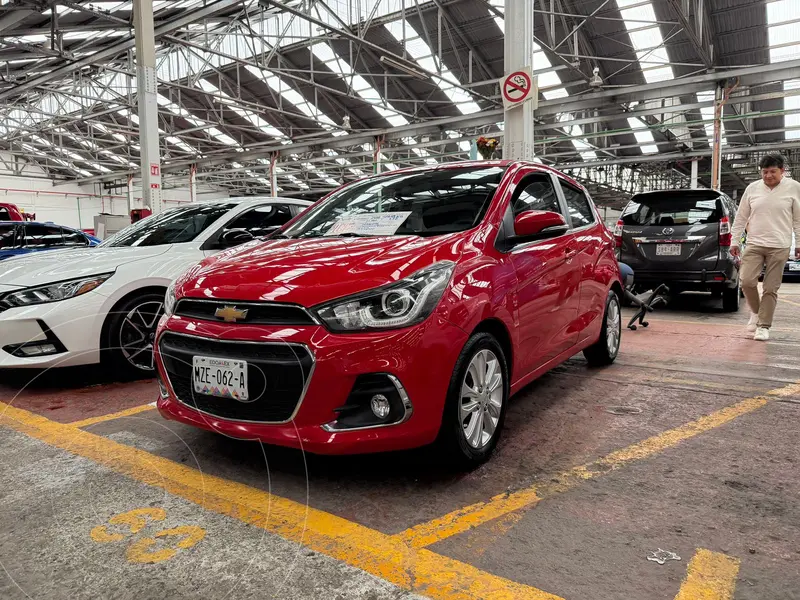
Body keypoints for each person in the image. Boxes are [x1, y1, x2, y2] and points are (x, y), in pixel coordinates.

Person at [730, 154, 800, 341]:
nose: (768, 176)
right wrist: (734, 240)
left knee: (770, 288)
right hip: (754, 243)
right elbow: (741, 217)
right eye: (764, 172)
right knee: (746, 281)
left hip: (780, 245)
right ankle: (756, 312)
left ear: (782, 171)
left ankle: (763, 326)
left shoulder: (794, 188)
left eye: (772, 172)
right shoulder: (753, 188)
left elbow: (798, 220)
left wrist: (799, 243)